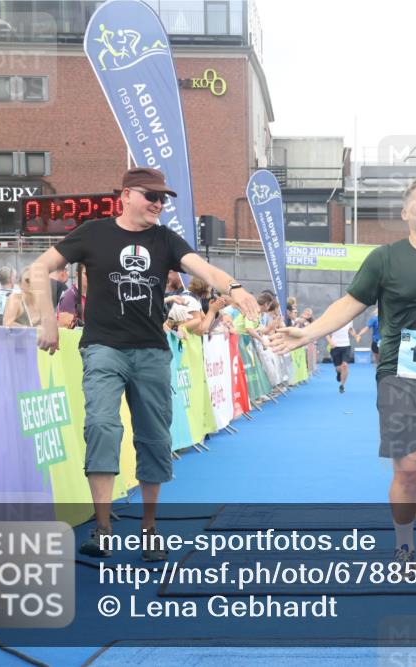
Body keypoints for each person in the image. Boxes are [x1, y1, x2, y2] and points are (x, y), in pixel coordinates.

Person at [270, 177, 416, 563]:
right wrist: (309, 333)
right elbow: (350, 304)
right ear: (406, 213)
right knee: (408, 466)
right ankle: (404, 545)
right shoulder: (385, 259)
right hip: (397, 377)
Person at [29, 167, 259, 561]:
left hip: (152, 351)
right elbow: (36, 268)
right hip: (103, 348)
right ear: (127, 195)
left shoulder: (165, 239)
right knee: (101, 425)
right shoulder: (93, 232)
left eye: (162, 199)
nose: (158, 204)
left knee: (154, 437)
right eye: (151, 196)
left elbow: (204, 269)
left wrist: (234, 288)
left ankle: (150, 528)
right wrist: (47, 320)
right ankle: (102, 529)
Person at [327, 321, 357, 394]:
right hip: (335, 346)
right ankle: (338, 373)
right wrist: (330, 342)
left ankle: (342, 385)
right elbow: (327, 333)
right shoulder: (332, 319)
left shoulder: (350, 319)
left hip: (346, 345)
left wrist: (355, 335)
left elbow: (350, 329)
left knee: (345, 365)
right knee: (338, 368)